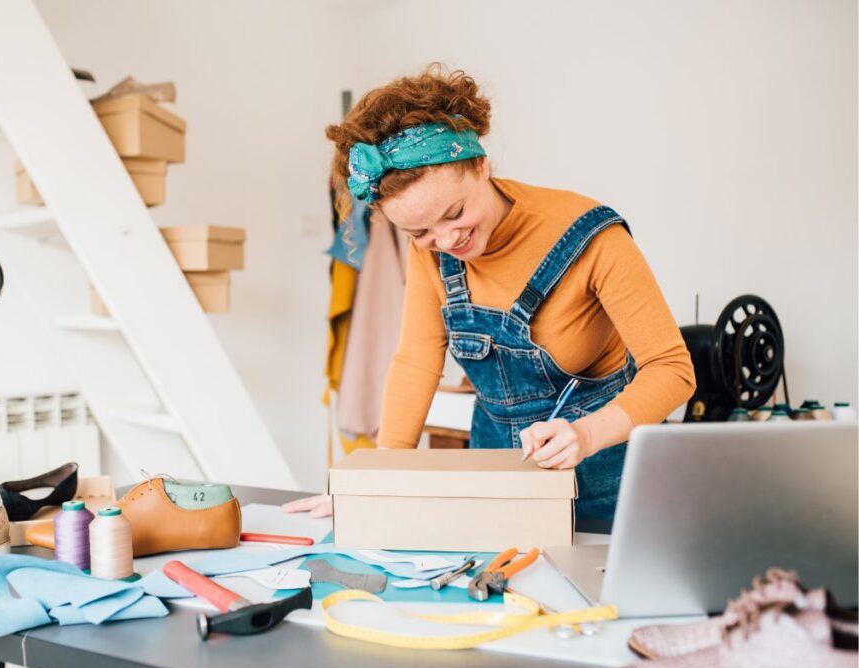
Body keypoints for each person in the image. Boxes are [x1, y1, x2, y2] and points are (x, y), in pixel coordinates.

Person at [285, 65, 695, 521]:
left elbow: (673, 370)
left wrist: (585, 435)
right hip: (495, 471)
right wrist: (375, 481)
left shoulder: (593, 237)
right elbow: (417, 360)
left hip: (605, 476)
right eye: (419, 232)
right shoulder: (435, 251)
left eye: (455, 213)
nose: (447, 241)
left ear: (481, 166)